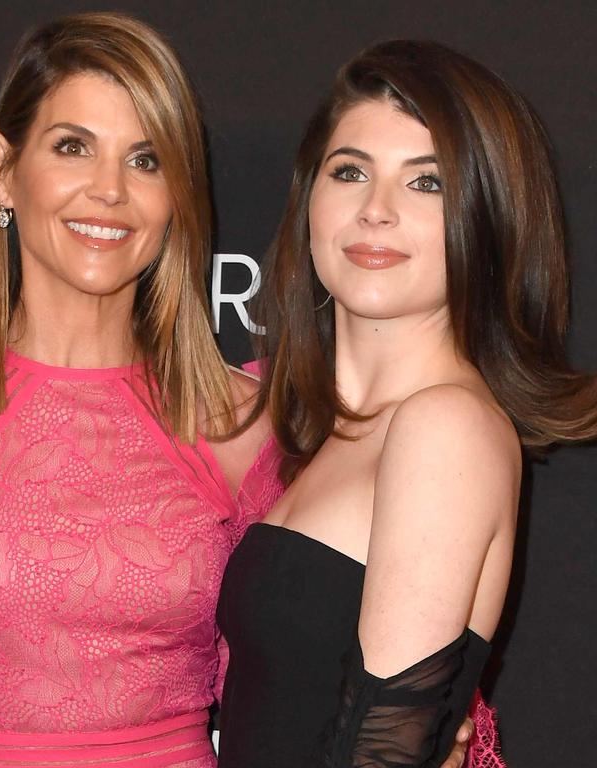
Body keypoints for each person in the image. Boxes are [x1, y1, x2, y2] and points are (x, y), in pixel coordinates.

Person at [0, 14, 480, 768]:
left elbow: (305, 673)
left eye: (145, 160)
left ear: (176, 193)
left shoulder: (241, 422)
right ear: (4, 168)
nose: (108, 190)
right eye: (73, 147)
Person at [216, 39, 597, 767]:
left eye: (428, 184)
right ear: (310, 199)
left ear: (486, 219)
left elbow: (381, 757)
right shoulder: (337, 434)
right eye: (350, 171)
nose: (376, 211)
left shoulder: (443, 425)